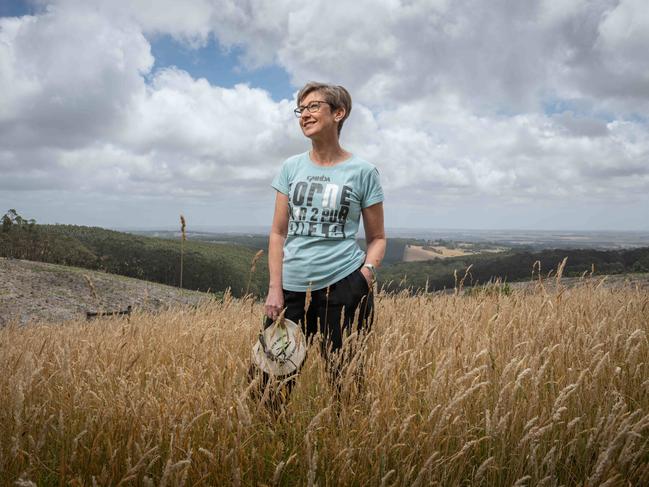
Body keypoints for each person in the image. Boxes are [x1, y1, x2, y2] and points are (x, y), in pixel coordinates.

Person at [259, 81, 386, 405]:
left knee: (347, 384)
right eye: (300, 109)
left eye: (314, 106)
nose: (304, 114)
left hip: (344, 287)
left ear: (339, 113)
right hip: (291, 290)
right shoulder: (291, 167)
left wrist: (364, 277)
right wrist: (275, 288)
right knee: (269, 386)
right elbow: (277, 233)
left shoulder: (363, 171)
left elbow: (377, 238)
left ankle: (347, 447)